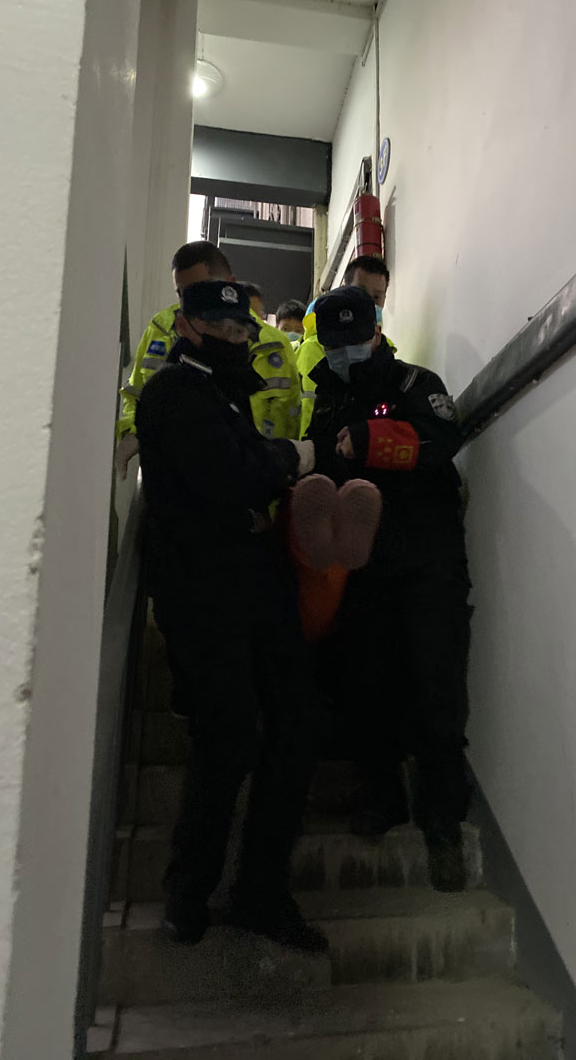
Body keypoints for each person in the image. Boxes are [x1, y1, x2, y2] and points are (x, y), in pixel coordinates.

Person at [135, 278, 326, 952]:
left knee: (296, 726)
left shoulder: (224, 393)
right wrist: (286, 459)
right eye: (219, 326)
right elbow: (232, 477)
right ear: (187, 326)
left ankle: (260, 893)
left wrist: (261, 473)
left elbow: (242, 474)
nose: (234, 337)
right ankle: (189, 894)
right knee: (227, 737)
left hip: (255, 586)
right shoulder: (173, 392)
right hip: (202, 596)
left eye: (242, 328)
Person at [303, 286, 472, 893]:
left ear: (375, 333)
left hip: (428, 564)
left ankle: (443, 822)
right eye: (333, 344)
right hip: (362, 571)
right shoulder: (325, 399)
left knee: (436, 688)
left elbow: (441, 442)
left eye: (354, 341)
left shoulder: (414, 384)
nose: (344, 353)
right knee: (366, 689)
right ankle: (383, 797)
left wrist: (372, 440)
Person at [115, 243, 301, 476]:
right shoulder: (161, 329)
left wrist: (281, 468)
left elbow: (289, 419)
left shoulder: (273, 346)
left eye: (201, 290)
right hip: (172, 477)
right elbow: (135, 392)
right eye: (182, 293)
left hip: (253, 478)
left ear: (230, 285)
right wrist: (134, 431)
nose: (191, 303)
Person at [297, 255, 394, 436]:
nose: (369, 302)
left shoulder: (401, 372)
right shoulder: (315, 349)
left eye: (377, 297)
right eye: (361, 291)